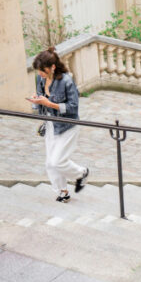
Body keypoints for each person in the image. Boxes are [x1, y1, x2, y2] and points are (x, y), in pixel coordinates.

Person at [28, 48, 88, 203]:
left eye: (43, 70)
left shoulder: (66, 81)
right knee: (50, 163)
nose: (40, 73)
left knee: (58, 161)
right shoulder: (40, 79)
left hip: (67, 125)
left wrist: (50, 104)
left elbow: (73, 107)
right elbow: (41, 103)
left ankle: (81, 173)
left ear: (52, 67)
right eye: (39, 71)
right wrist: (36, 102)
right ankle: (63, 191)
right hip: (50, 124)